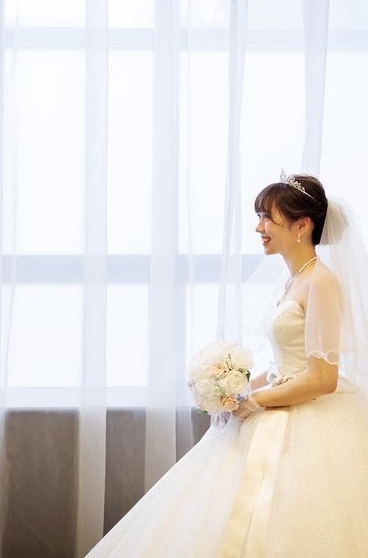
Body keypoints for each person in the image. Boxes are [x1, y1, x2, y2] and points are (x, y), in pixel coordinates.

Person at [86, 173, 368, 557]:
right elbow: (288, 364)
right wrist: (239, 392)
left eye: (268, 218)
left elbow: (322, 378)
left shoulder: (321, 281)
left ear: (302, 226)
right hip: (282, 398)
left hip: (310, 419)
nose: (259, 227)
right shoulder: (294, 279)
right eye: (259, 217)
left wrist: (256, 401)